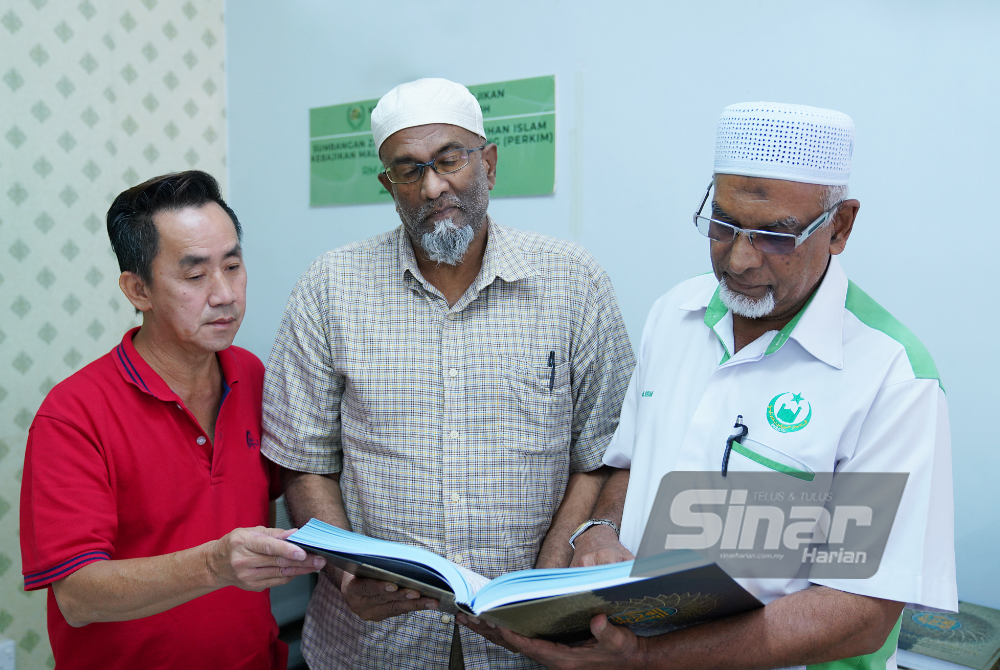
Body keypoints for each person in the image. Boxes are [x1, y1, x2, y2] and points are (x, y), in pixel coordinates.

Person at [500, 102, 957, 669]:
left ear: (839, 227)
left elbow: (860, 610)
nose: (739, 259)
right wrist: (601, 528)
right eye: (723, 224)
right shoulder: (675, 314)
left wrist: (651, 658)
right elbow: (634, 462)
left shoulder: (891, 376)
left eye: (774, 235)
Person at [261, 78, 635, 669]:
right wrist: (347, 573)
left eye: (449, 160)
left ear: (487, 162)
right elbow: (304, 460)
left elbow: (603, 453)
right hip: (373, 643)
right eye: (408, 170)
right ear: (388, 184)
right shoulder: (330, 286)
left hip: (529, 642)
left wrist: (546, 576)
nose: (432, 186)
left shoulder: (573, 282)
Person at [19, 171, 326, 670]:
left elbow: (295, 479)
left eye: (233, 265)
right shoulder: (72, 415)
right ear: (138, 289)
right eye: (195, 275)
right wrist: (214, 564)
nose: (224, 293)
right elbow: (77, 596)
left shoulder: (250, 374)